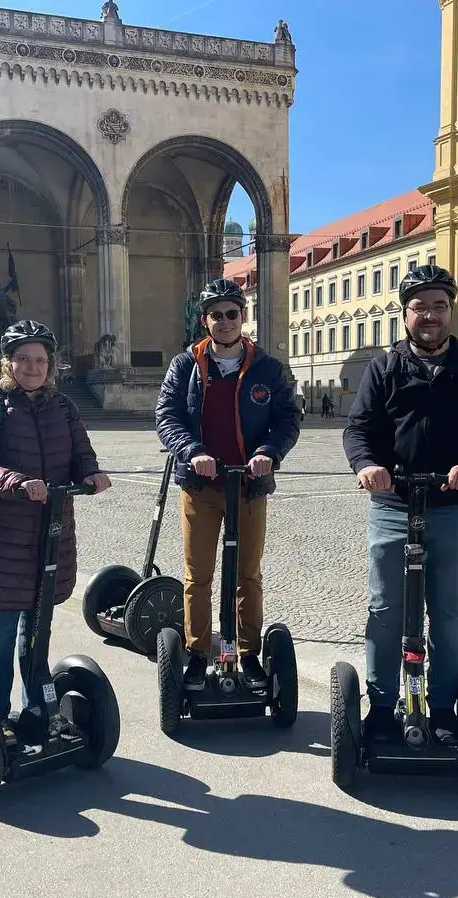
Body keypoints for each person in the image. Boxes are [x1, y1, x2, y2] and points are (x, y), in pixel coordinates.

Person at [343, 265, 458, 746]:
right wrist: (365, 466)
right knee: (384, 609)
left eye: (439, 306)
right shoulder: (383, 369)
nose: (430, 316)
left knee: (449, 610)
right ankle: (379, 705)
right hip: (393, 505)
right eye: (420, 307)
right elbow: (357, 431)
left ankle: (440, 706)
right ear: (406, 314)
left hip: (454, 507)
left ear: (450, 311)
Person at [0, 320, 111, 729]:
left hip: (51, 533)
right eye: (24, 359)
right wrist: (18, 483)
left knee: (38, 629)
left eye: (40, 360)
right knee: (2, 632)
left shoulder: (62, 407)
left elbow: (82, 452)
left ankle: (36, 710)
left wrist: (92, 474)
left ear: (51, 364)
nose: (33, 367)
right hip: (4, 537)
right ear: (8, 363)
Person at [155, 278, 300, 691]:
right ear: (205, 320)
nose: (224, 321)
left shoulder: (266, 367)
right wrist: (192, 451)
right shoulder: (186, 365)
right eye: (215, 314)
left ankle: (248, 652)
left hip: (249, 485)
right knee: (197, 574)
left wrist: (269, 452)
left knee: (247, 574)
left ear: (243, 316)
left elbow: (288, 418)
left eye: (231, 313)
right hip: (201, 486)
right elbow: (167, 415)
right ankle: (198, 653)